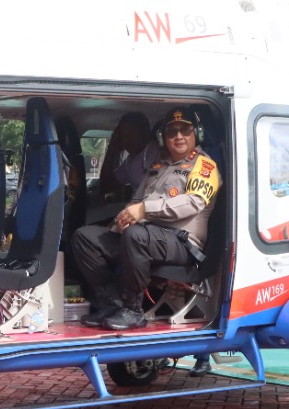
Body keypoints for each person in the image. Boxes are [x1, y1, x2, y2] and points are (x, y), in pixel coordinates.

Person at [71, 106, 222, 331]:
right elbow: (137, 199)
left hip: (182, 242)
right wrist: (121, 221)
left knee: (136, 236)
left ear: (196, 133)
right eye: (172, 132)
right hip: (147, 236)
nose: (178, 136)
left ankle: (133, 309)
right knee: (86, 237)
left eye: (185, 130)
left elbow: (193, 202)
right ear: (164, 137)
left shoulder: (205, 166)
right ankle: (112, 303)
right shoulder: (159, 166)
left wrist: (143, 211)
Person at [99, 111, 160, 204]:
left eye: (132, 133)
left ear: (144, 133)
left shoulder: (157, 153)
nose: (127, 139)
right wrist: (111, 149)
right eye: (124, 135)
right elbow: (106, 186)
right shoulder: (129, 162)